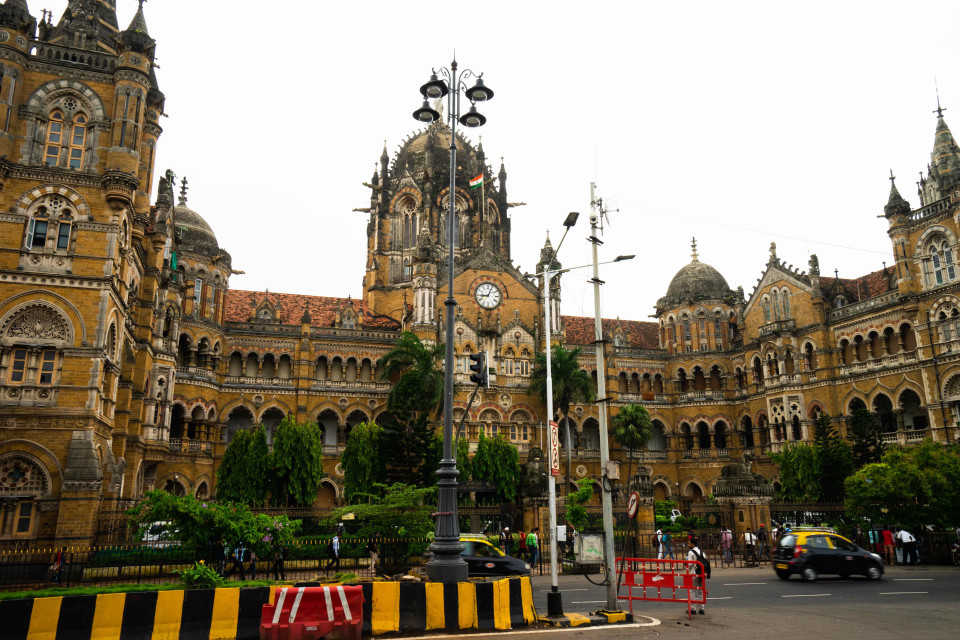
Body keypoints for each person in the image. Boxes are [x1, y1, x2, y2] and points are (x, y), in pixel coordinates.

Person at [685, 538, 707, 615]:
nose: (688, 545)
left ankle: (693, 609)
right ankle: (702, 608)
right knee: (701, 590)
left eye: (689, 543)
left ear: (693, 544)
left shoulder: (691, 552)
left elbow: (690, 564)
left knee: (692, 590)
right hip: (702, 573)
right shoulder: (702, 553)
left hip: (694, 573)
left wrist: (685, 564)